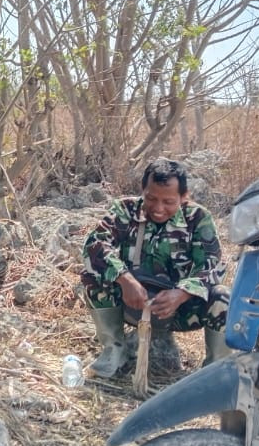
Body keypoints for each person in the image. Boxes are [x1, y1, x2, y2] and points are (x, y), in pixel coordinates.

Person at [79, 157, 229, 379]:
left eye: (168, 202)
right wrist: (125, 279)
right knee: (92, 276)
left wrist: (182, 294)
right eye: (151, 198)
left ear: (184, 197)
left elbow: (212, 264)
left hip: (180, 309)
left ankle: (214, 374)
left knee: (222, 297)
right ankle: (115, 351)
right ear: (143, 190)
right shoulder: (125, 210)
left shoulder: (197, 218)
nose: (158, 209)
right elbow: (95, 245)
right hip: (132, 302)